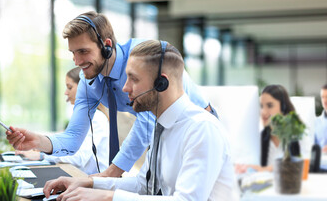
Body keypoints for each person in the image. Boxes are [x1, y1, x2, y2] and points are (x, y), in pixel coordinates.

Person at [5, 11, 217, 178]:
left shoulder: (141, 58)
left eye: (83, 52)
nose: (77, 62)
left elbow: (145, 124)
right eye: (73, 53)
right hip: (164, 135)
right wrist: (39, 142)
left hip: (197, 128)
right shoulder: (90, 82)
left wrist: (111, 174)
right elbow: (72, 139)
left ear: (106, 46)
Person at [42, 40, 237, 200]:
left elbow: (186, 200)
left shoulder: (201, 129)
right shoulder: (160, 126)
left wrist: (105, 197)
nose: (125, 88)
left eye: (133, 79)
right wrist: (89, 182)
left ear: (162, 83)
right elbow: (144, 184)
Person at [16, 67, 109, 175]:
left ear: (84, 88)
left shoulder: (96, 118)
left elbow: (80, 158)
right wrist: (36, 139)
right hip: (81, 177)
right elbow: (63, 138)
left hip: (93, 183)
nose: (65, 92)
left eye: (69, 87)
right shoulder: (86, 117)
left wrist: (41, 156)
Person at [235, 84, 300, 174]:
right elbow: (258, 167)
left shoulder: (294, 135)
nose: (263, 112)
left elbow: (296, 166)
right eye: (261, 106)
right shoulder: (261, 137)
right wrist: (246, 167)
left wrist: (265, 169)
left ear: (283, 107)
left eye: (269, 106)